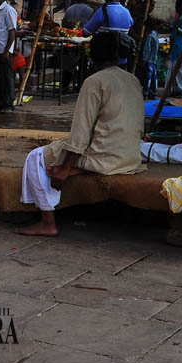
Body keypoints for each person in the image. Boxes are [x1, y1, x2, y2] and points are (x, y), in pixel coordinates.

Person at [16, 31, 145, 236]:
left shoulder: (95, 81)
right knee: (64, 150)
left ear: (91, 56)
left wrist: (65, 169)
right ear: (115, 55)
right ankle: (80, 169)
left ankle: (47, 221)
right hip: (130, 156)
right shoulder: (132, 79)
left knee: (35, 157)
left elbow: (80, 132)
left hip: (105, 157)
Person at [140, 17, 161, 99]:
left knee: (148, 78)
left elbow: (147, 50)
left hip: (148, 60)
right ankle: (154, 93)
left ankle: (145, 93)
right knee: (154, 78)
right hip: (154, 60)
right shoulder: (155, 35)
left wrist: (144, 60)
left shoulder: (150, 36)